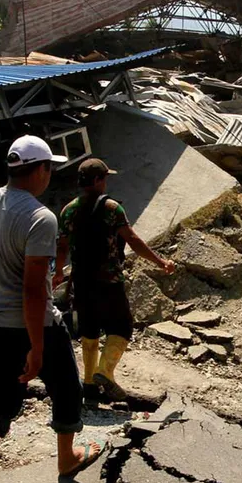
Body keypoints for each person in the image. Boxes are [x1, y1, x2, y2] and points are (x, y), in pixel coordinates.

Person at [0, 136, 103, 483]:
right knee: (67, 388)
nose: (49, 175)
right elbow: (32, 291)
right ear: (41, 170)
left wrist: (1, 277)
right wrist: (36, 348)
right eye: (49, 168)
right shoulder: (41, 217)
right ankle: (67, 458)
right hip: (34, 326)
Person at [56, 158, 175, 403]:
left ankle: (89, 386)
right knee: (121, 327)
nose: (106, 182)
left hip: (82, 282)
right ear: (97, 180)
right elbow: (132, 240)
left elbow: (62, 246)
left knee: (89, 331)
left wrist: (58, 271)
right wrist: (160, 262)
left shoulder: (68, 210)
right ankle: (105, 371)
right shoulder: (112, 208)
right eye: (104, 178)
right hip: (109, 281)